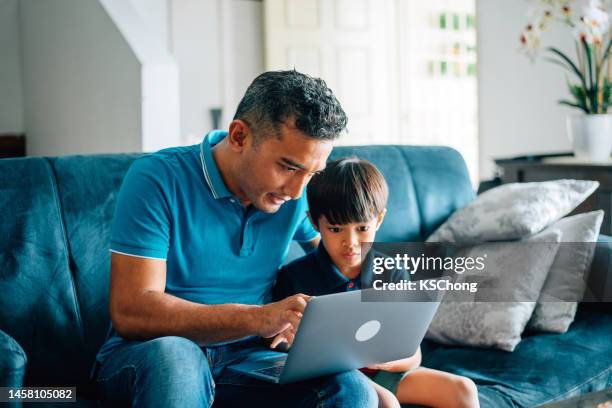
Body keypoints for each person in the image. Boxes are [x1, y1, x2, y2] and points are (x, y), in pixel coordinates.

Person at [93, 71, 378, 407]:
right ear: (240, 136)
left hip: (248, 361)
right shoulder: (157, 178)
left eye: (312, 174)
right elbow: (131, 310)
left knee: (352, 390)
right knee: (178, 359)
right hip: (155, 354)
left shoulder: (294, 196)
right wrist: (258, 318)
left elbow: (346, 257)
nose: (298, 191)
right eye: (288, 167)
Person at [273, 157, 480, 408]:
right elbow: (278, 346)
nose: (350, 242)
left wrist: (387, 362)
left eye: (362, 228)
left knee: (463, 389)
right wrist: (286, 341)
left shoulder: (391, 272)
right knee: (386, 402)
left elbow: (413, 354)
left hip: (384, 373)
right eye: (336, 229)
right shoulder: (294, 277)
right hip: (333, 379)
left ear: (379, 220)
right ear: (315, 223)